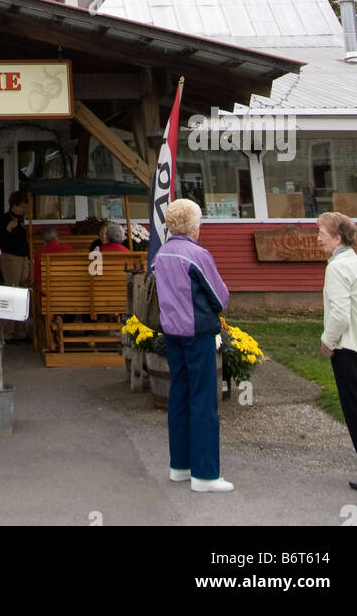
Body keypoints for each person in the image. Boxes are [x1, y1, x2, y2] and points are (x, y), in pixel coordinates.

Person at [153, 198, 233, 493]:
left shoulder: (161, 254)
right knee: (204, 402)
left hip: (172, 332)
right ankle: (206, 474)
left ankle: (180, 466)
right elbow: (220, 296)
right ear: (193, 225)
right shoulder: (197, 255)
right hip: (197, 333)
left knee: (180, 397)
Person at [317, 211, 357, 493]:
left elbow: (340, 314)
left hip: (350, 349)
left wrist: (328, 341)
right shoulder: (356, 263)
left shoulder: (337, 267)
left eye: (322, 234)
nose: (318, 239)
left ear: (337, 238)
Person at [0, 192, 30, 340]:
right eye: (23, 206)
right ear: (15, 205)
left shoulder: (21, 219)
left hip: (23, 257)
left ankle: (21, 330)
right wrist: (9, 229)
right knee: (12, 291)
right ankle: (8, 332)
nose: (25, 209)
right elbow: (3, 241)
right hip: (11, 257)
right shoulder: (6, 219)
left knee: (23, 292)